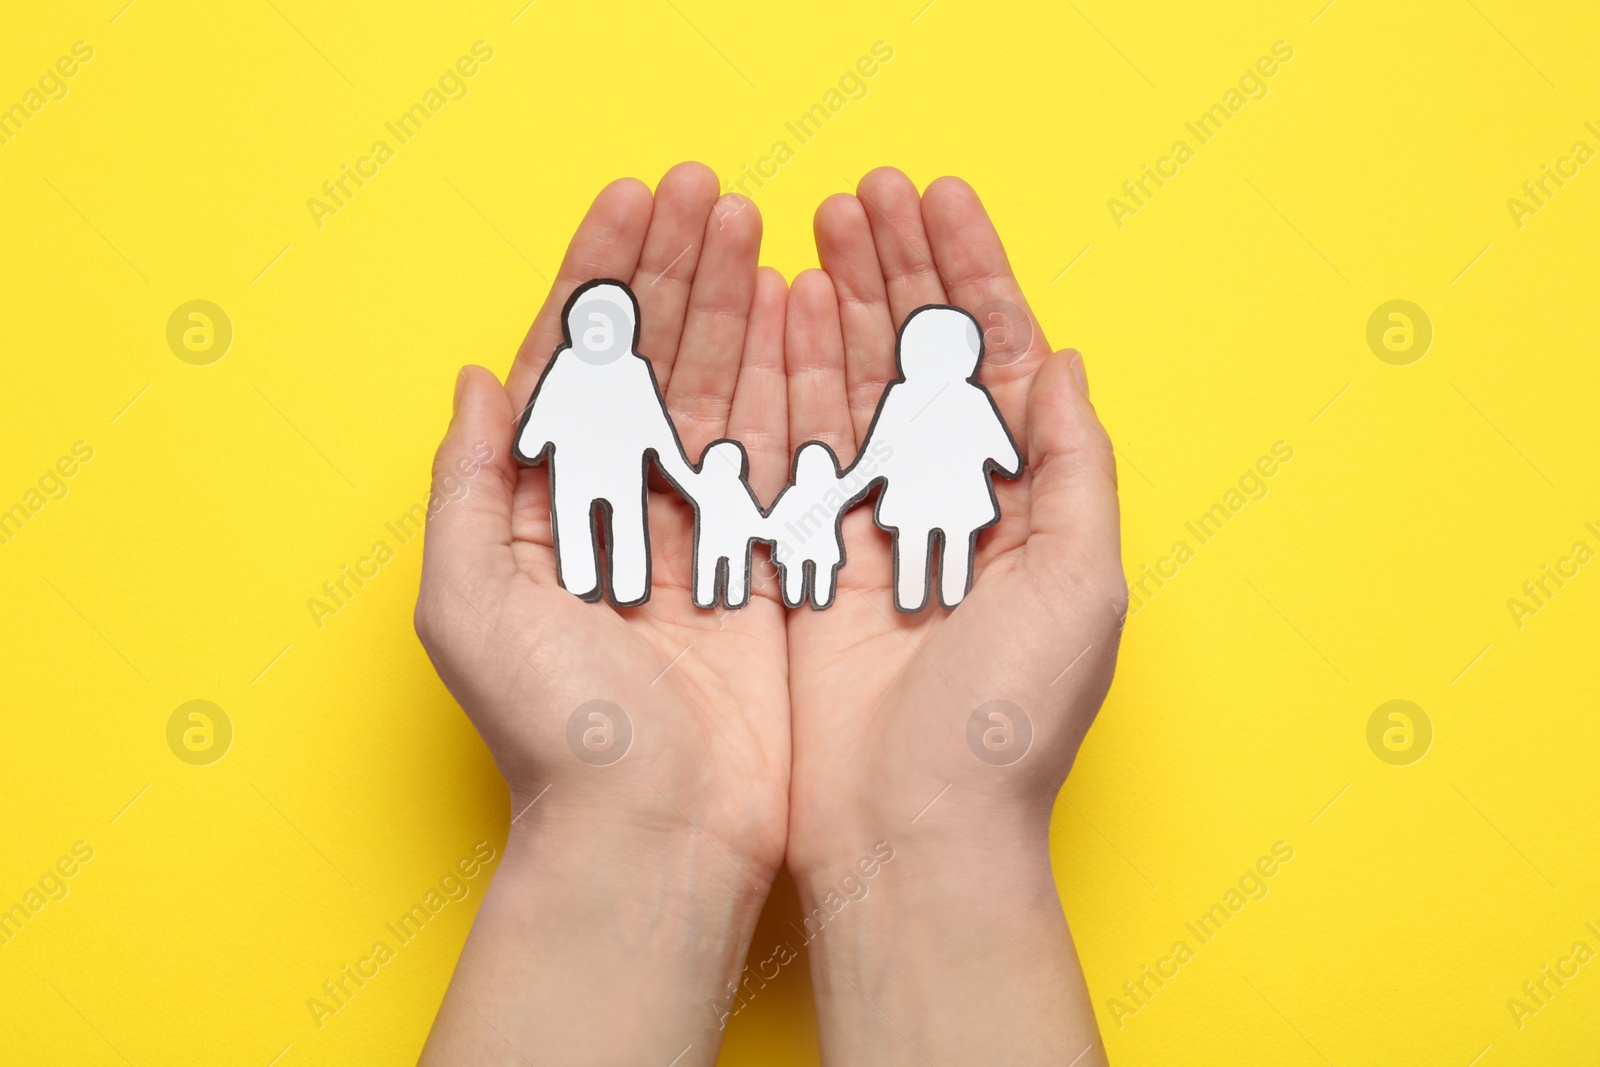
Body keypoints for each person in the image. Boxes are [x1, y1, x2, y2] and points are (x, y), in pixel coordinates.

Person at [414, 164, 1124, 1066]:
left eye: (605, 322)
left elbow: (677, 445)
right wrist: (624, 809)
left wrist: (943, 818)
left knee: (648, 539)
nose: (596, 332)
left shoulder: (656, 381)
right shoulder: (894, 398)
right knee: (615, 540)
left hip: (925, 504)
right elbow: (865, 461)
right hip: (628, 480)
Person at [513, 279, 696, 606]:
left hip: (621, 470)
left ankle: (629, 587)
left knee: (626, 524)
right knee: (572, 524)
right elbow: (544, 408)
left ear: (624, 329)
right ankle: (578, 582)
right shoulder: (566, 365)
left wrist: (678, 468)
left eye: (609, 323)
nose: (598, 332)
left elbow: (654, 423)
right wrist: (530, 442)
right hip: (573, 469)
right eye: (590, 323)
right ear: (575, 326)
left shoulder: (635, 368)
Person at [855, 304, 1023, 612]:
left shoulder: (901, 397)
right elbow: (1008, 461)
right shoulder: (973, 398)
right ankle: (954, 599)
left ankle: (910, 598)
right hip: (961, 498)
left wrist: (849, 485)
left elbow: (874, 455)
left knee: (912, 542)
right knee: (957, 541)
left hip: (911, 498)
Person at [767, 441, 854, 608]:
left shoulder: (793, 493)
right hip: (821, 547)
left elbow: (776, 518)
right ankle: (818, 599)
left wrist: (766, 530)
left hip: (795, 546)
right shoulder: (836, 490)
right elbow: (856, 484)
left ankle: (796, 598)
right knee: (820, 573)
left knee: (795, 573)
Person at [682, 438, 767, 609]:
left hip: (720, 541)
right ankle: (722, 598)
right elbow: (755, 517)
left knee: (716, 568)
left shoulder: (705, 486)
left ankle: (712, 598)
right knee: (723, 568)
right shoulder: (716, 487)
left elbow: (683, 479)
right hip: (729, 542)